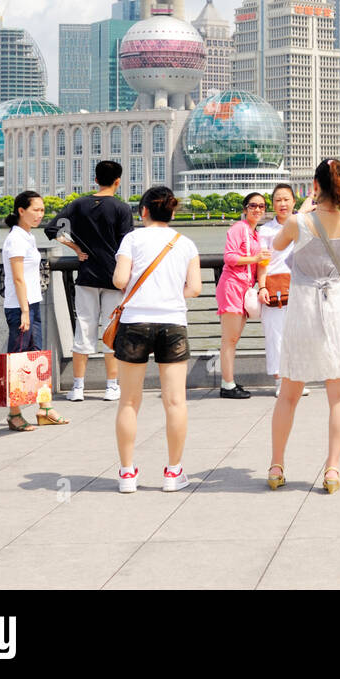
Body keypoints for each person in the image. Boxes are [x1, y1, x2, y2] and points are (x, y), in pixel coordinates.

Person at [268, 159, 340, 493]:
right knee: (339, 395)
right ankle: (333, 470)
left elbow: (276, 246)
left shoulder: (300, 221)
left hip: (304, 307)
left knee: (289, 393)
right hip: (336, 304)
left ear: (315, 185)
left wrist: (306, 208)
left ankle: (277, 465)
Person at [111, 186, 201, 493]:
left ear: (144, 211)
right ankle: (173, 473)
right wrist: (172, 294)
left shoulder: (132, 239)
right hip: (173, 322)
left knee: (129, 401)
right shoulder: (185, 243)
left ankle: (126, 474)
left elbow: (120, 280)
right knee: (175, 402)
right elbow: (195, 287)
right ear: (172, 212)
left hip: (135, 322)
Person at [46, 160, 134, 402]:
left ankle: (77, 387)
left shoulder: (78, 204)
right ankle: (111, 386)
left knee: (83, 329)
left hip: (86, 276)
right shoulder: (122, 209)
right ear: (118, 181)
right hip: (115, 278)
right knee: (111, 332)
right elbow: (129, 246)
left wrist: (75, 248)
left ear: (95, 180)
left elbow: (52, 229)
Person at [1, 190, 68, 431]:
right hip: (20, 307)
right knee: (19, 360)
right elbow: (18, 279)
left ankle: (45, 408)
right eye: (35, 210)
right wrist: (24, 312)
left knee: (36, 357)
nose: (40, 214)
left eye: (42, 210)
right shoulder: (16, 239)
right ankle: (14, 414)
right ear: (21, 210)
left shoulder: (27, 236)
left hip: (31, 304)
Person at [256, 183, 308, 398]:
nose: (282, 204)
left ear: (294, 201)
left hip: (301, 285)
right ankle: (280, 381)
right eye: (278, 200)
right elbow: (262, 262)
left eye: (286, 199)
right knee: (275, 335)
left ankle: (297, 381)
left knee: (299, 335)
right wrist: (262, 287)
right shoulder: (266, 230)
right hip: (275, 286)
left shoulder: (304, 224)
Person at [216, 192, 266, 398]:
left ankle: (229, 382)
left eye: (262, 206)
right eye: (253, 205)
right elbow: (229, 257)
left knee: (233, 338)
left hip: (244, 288)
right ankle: (227, 385)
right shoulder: (239, 228)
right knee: (230, 338)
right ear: (245, 209)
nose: (257, 209)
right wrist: (255, 258)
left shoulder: (255, 233)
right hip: (232, 286)